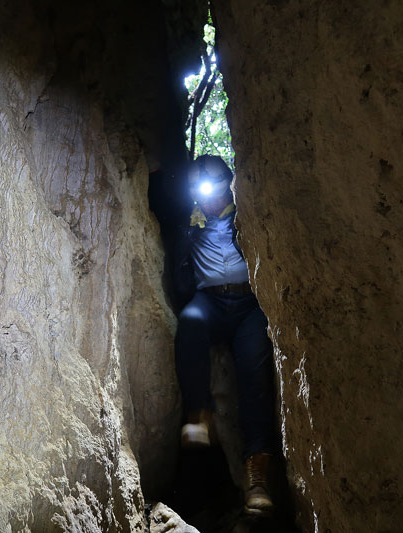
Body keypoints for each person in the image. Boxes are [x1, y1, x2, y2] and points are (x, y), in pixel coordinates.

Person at [173, 154, 278, 516]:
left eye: (214, 188)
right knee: (190, 321)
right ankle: (199, 415)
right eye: (200, 191)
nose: (207, 197)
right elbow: (180, 273)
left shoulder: (248, 213)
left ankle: (257, 478)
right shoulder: (191, 223)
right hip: (210, 301)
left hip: (248, 303)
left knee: (253, 368)